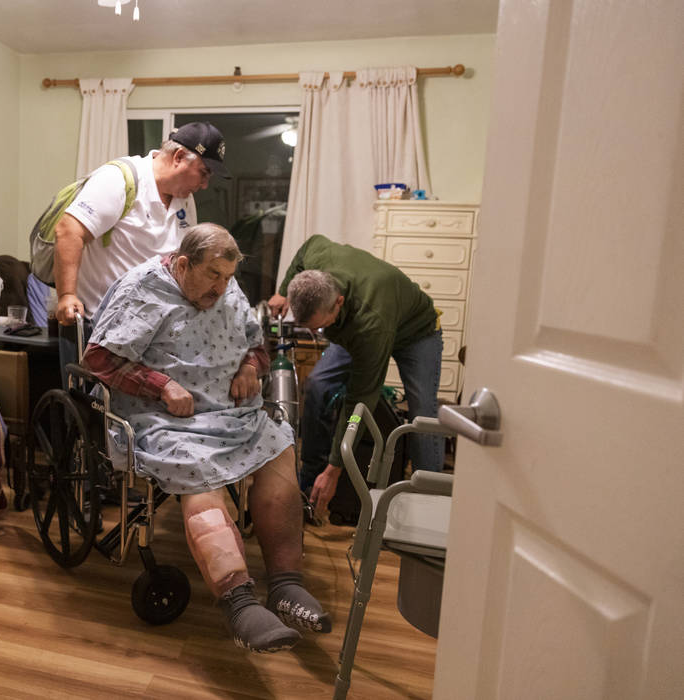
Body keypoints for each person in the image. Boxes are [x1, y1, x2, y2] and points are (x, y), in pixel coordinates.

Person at [82, 224, 331, 653]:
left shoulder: (226, 290)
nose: (222, 287)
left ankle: (287, 584)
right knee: (199, 469)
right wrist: (159, 385)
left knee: (279, 446)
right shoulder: (142, 289)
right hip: (161, 418)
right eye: (213, 275)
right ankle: (238, 601)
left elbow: (256, 344)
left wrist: (251, 367)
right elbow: (100, 359)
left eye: (229, 277)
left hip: (230, 412)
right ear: (183, 264)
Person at [269, 234, 444, 519]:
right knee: (317, 385)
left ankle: (432, 506)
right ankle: (310, 479)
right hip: (360, 323)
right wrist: (280, 290)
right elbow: (306, 246)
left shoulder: (370, 324)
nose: (316, 334)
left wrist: (337, 467)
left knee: (422, 414)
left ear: (338, 302)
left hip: (416, 334)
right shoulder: (319, 257)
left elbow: (359, 402)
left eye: (321, 327)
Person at [52, 122, 230, 373]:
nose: (205, 185)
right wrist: (66, 295)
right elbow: (69, 231)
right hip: (97, 324)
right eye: (203, 173)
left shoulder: (185, 200)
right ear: (179, 157)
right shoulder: (120, 179)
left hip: (148, 329)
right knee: (92, 407)